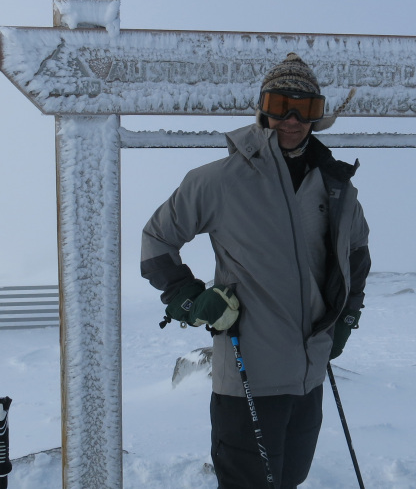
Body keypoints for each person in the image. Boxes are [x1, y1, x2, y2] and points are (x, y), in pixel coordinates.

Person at [141, 52, 371, 488]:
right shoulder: (218, 180)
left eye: (304, 108)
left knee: (291, 479)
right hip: (249, 374)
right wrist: (191, 299)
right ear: (262, 109)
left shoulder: (336, 185)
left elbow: (356, 251)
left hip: (310, 376)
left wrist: (347, 315)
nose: (291, 119)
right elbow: (156, 240)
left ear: (317, 116)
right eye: (280, 104)